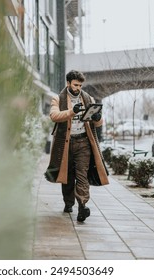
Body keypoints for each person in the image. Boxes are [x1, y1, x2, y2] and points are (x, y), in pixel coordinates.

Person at [44, 70, 109, 222]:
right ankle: (68, 203)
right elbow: (54, 116)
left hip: (83, 143)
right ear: (68, 83)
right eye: (75, 85)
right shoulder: (57, 99)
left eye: (80, 85)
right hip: (66, 143)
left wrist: (98, 118)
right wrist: (72, 111)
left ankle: (82, 206)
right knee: (67, 176)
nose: (78, 88)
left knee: (82, 175)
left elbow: (98, 123)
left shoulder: (88, 98)